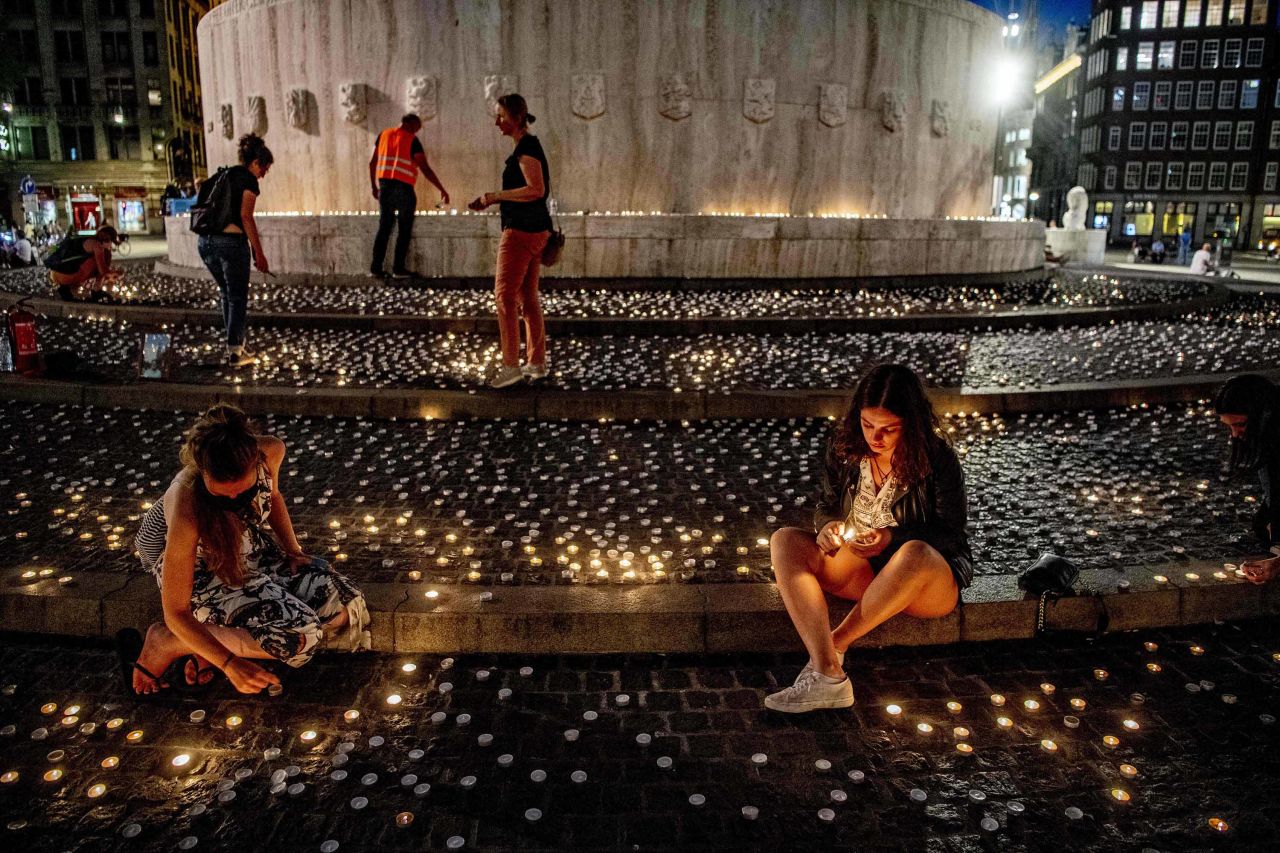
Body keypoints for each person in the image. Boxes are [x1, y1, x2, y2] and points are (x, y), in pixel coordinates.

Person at [764, 364, 972, 712]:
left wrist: (893, 537)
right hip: (864, 570)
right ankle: (829, 673)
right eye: (868, 425)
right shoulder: (846, 449)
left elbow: (951, 532)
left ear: (913, 423)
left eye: (889, 429)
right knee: (784, 540)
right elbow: (827, 505)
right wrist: (828, 526)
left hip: (925, 582)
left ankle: (832, 648)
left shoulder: (937, 459)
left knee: (915, 552)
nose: (875, 438)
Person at [124, 404, 370, 695]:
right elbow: (176, 610)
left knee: (340, 604)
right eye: (222, 495)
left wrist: (293, 550)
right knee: (301, 636)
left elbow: (273, 496)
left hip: (249, 550)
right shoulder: (187, 505)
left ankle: (204, 646)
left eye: (242, 492)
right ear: (203, 474)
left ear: (255, 461)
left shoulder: (271, 451)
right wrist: (230, 664)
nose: (234, 500)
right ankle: (168, 642)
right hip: (204, 571)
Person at [468, 93, 554, 388]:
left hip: (520, 232)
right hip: (535, 230)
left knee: (504, 296)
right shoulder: (527, 145)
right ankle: (537, 361)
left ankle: (510, 366)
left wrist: (495, 196)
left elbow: (536, 189)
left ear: (516, 118)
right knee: (527, 298)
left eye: (501, 117)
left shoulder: (526, 148)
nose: (496, 122)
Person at [197, 133, 273, 368]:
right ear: (255, 163)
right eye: (265, 168)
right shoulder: (248, 180)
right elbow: (245, 217)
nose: (264, 173)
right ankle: (236, 353)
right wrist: (259, 253)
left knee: (227, 294)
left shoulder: (223, 174)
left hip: (205, 242)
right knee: (237, 296)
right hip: (230, 243)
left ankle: (235, 344)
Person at [1214, 375, 1280, 584]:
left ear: (1264, 416)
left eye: (1240, 425)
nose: (1234, 434)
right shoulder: (1269, 439)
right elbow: (1274, 495)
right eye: (1229, 426)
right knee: (1264, 525)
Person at [368, 113, 449, 279]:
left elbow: (372, 162)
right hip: (404, 189)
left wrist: (374, 187)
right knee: (404, 229)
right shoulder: (412, 140)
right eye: (417, 128)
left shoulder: (383, 135)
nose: (417, 132)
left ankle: (376, 268)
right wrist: (441, 189)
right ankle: (398, 268)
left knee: (384, 228)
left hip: (385, 187)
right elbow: (424, 168)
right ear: (411, 125)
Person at [46, 225, 125, 302]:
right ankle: (96, 291)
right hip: (65, 275)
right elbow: (103, 271)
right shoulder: (97, 245)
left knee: (94, 260)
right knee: (105, 257)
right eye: (111, 242)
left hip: (56, 273)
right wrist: (117, 273)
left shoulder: (87, 240)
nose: (111, 245)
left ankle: (65, 289)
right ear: (108, 239)